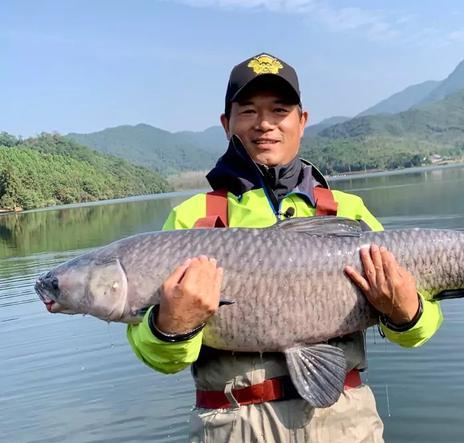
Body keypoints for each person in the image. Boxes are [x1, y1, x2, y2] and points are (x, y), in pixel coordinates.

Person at [127, 53, 443, 442]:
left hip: (346, 425)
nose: (264, 124)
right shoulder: (191, 222)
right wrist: (171, 326)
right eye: (248, 111)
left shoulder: (347, 211)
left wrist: (405, 311)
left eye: (279, 110)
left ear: (301, 121)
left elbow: (418, 332)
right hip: (232, 427)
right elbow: (157, 357)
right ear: (226, 124)